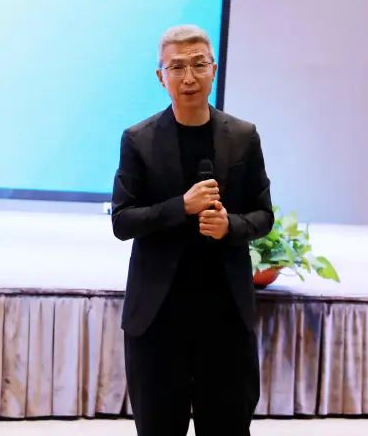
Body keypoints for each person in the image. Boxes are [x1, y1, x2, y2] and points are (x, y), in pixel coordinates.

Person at [111, 24, 274, 436]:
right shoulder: (139, 140)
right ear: (160, 76)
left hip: (225, 315)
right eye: (177, 67)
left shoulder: (243, 137)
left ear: (213, 70)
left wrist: (229, 226)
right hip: (157, 317)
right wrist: (180, 207)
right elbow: (123, 220)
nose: (189, 77)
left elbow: (263, 215)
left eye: (199, 65)